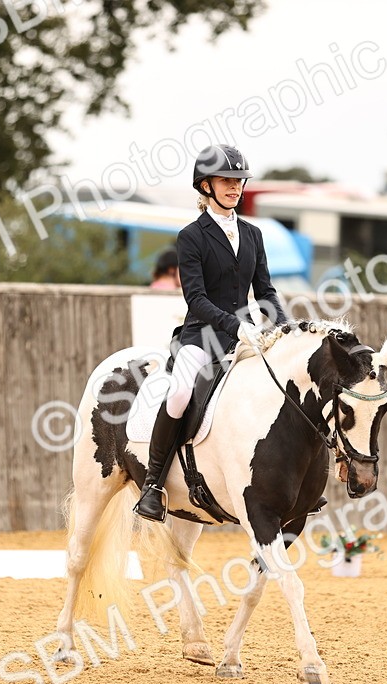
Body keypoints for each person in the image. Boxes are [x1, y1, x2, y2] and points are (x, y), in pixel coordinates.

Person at [133, 144, 288, 521]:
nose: (235, 188)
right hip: (202, 336)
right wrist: (237, 325)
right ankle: (153, 484)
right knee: (180, 393)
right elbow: (197, 298)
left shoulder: (253, 234)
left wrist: (284, 326)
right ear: (206, 186)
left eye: (239, 181)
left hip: (246, 338)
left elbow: (265, 290)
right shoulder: (192, 236)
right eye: (226, 181)